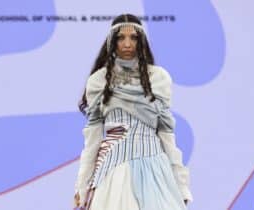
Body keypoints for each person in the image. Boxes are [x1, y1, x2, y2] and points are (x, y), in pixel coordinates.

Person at [73, 13, 193, 210]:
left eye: (133, 38)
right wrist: (82, 185)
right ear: (112, 42)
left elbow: (167, 136)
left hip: (154, 170)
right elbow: (92, 142)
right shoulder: (98, 81)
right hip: (112, 171)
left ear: (142, 41)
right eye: (121, 38)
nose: (127, 44)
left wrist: (181, 185)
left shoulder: (158, 78)